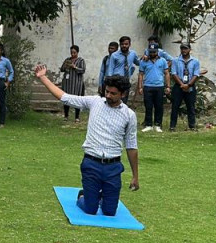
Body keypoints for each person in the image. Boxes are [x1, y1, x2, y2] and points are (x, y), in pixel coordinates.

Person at [34, 66, 139, 216]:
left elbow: (131, 146)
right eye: (107, 91)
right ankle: (84, 196)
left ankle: (100, 196)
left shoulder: (129, 115)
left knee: (110, 212)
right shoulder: (94, 102)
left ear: (123, 94)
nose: (108, 95)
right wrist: (43, 77)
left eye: (113, 93)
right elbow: (64, 97)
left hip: (113, 167)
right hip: (91, 164)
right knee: (91, 209)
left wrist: (135, 176)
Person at [137, 47, 171, 132]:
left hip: (159, 86)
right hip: (148, 86)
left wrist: (168, 86)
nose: (152, 54)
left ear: (157, 51)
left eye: (154, 52)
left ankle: (158, 125)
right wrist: (140, 87)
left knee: (159, 106)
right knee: (148, 106)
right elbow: (141, 74)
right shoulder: (144, 61)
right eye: (151, 52)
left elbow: (166, 73)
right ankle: (148, 125)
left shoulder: (162, 60)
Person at [170, 43, 201, 131]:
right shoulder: (176, 60)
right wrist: (182, 85)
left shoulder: (195, 61)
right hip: (178, 86)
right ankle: (172, 126)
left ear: (190, 49)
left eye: (186, 49)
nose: (184, 50)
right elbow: (174, 73)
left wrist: (188, 85)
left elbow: (196, 74)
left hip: (190, 85)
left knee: (190, 106)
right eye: (182, 49)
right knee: (175, 106)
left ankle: (192, 126)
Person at [60, 45, 87, 122]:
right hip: (67, 83)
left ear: (77, 52)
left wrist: (75, 67)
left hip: (76, 84)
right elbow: (62, 69)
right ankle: (66, 116)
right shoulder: (67, 59)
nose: (72, 54)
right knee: (66, 98)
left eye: (74, 52)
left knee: (76, 99)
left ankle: (77, 117)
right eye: (71, 52)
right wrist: (66, 66)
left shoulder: (81, 60)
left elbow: (83, 70)